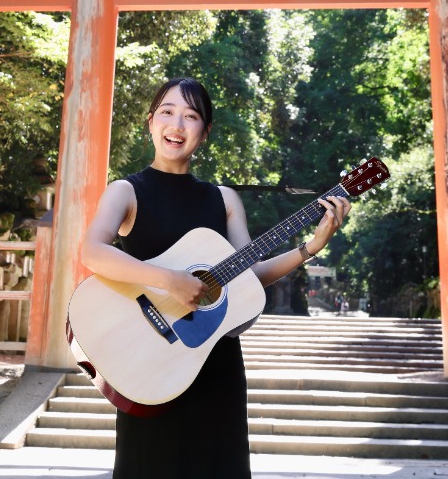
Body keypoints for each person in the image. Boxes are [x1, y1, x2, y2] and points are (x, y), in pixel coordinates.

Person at [81, 76, 351, 479]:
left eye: (191, 116)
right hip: (150, 359)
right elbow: (92, 252)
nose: (177, 124)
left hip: (215, 363)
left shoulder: (224, 199)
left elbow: (249, 275)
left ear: (204, 132)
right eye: (167, 112)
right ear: (151, 121)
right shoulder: (126, 191)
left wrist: (310, 247)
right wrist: (169, 280)